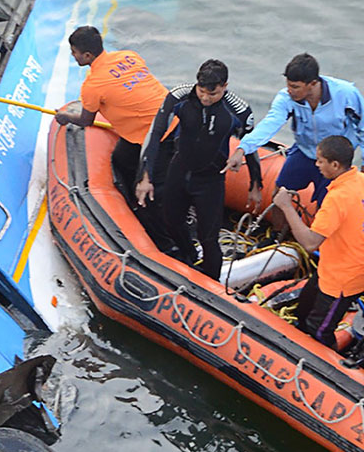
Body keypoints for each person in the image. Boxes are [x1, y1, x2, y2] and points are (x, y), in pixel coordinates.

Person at [134, 59, 262, 279]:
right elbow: (155, 134)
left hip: (211, 179)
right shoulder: (179, 97)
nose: (205, 98)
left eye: (212, 94)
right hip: (179, 169)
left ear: (225, 86)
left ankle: (212, 281)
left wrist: (256, 185)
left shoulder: (238, 110)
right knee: (172, 222)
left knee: (208, 238)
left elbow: (251, 148)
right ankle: (189, 257)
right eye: (202, 91)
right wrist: (145, 175)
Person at [54, 26, 173, 248]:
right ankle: (129, 200)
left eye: (75, 52)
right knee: (121, 158)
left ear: (87, 55)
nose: (73, 56)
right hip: (170, 119)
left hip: (153, 138)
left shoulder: (92, 85)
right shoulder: (129, 56)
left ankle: (162, 239)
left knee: (151, 194)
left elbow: (86, 120)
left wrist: (66, 117)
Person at [223, 53, 364, 207]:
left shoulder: (345, 94)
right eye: (288, 85)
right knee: (278, 194)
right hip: (305, 150)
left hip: (334, 159)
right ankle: (277, 231)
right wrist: (242, 149)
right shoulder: (286, 98)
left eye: (295, 87)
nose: (290, 90)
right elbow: (270, 124)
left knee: (328, 206)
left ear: (312, 83)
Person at [273, 136, 364, 347]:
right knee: (303, 309)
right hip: (335, 266)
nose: (316, 165)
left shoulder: (337, 199)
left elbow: (310, 243)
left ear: (334, 165)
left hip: (345, 279)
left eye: (320, 161)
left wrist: (286, 207)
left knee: (320, 330)